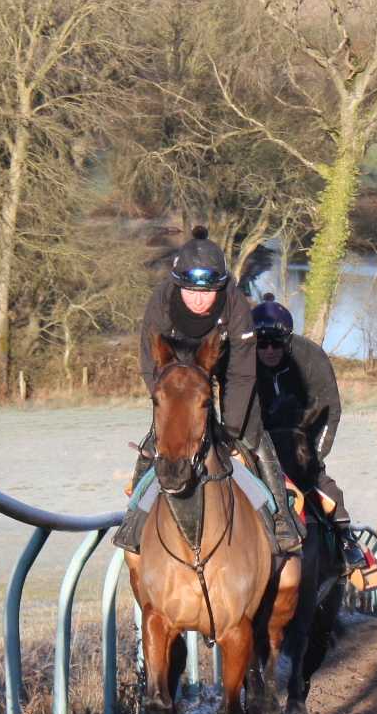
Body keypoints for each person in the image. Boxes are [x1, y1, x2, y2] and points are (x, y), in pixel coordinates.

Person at [115, 228, 304, 555]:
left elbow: (242, 374)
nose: (199, 300)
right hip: (174, 364)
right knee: (157, 439)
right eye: (190, 292)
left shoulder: (235, 303)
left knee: (253, 434)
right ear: (178, 286)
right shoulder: (161, 301)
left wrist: (230, 432)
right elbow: (151, 367)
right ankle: (135, 518)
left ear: (221, 288)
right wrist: (169, 407)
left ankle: (280, 517)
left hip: (227, 359)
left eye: (208, 293)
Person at [250, 294, 360, 560]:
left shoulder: (311, 356)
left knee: (325, 487)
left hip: (302, 442)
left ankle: (345, 538)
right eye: (261, 344)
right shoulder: (241, 362)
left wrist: (315, 456)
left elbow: (329, 410)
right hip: (259, 442)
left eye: (276, 343)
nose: (269, 350)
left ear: (288, 340)